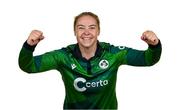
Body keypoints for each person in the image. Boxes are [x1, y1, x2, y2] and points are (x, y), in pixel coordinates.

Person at [18, 12, 162, 109]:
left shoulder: (113, 54)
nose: (86, 32)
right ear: (75, 31)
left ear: (98, 31)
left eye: (92, 28)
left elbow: (147, 59)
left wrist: (154, 45)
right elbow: (28, 66)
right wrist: (29, 46)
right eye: (81, 28)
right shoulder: (63, 56)